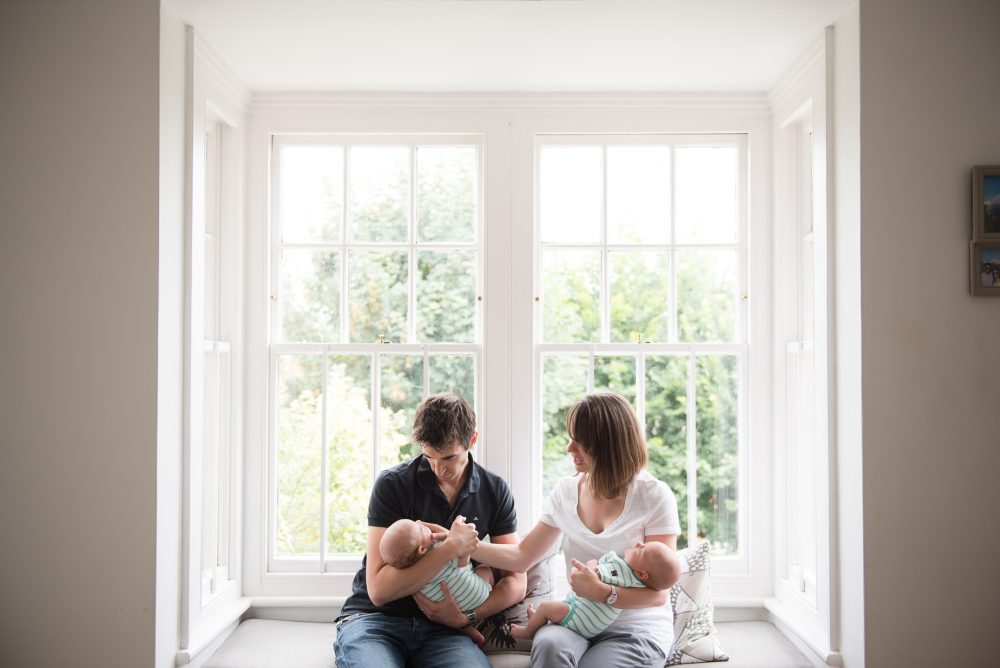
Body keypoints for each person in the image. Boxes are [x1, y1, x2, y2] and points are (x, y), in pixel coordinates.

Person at [474, 392, 682, 667]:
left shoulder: (653, 495)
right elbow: (522, 556)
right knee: (549, 645)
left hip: (636, 629)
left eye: (580, 441)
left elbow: (658, 594)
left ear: (607, 446)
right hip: (579, 619)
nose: (569, 448)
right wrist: (461, 544)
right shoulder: (565, 492)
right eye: (570, 437)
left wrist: (602, 592)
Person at [333, 393, 527, 668]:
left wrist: (467, 617)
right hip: (375, 621)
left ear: (472, 440)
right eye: (429, 457)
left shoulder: (494, 490)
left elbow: (516, 579)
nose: (438, 469)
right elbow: (379, 590)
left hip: (444, 632)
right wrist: (449, 548)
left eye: (448, 457)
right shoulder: (393, 484)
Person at [510, 541, 676, 640]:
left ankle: (529, 632)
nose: (639, 543)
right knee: (553, 609)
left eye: (642, 549)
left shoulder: (622, 573)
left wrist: (592, 564)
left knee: (546, 607)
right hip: (587, 618)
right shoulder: (635, 583)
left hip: (581, 617)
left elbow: (595, 574)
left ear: (642, 574)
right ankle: (538, 621)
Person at [379, 518, 496, 642]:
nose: (419, 523)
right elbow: (463, 564)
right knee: (484, 569)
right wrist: (465, 549)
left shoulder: (410, 574)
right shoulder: (438, 548)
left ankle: (466, 628)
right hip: (478, 594)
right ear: (421, 549)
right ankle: (487, 588)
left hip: (445, 614)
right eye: (420, 529)